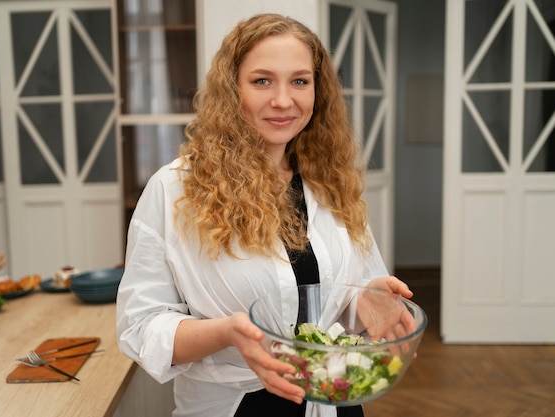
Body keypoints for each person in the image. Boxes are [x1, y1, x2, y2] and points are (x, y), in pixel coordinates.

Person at [116, 13, 414, 417]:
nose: (283, 100)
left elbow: (339, 291)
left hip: (334, 399)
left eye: (299, 81)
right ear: (231, 89)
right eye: (262, 81)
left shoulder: (331, 180)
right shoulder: (174, 191)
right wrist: (225, 333)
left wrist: (365, 299)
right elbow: (141, 327)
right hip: (237, 407)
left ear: (317, 90)